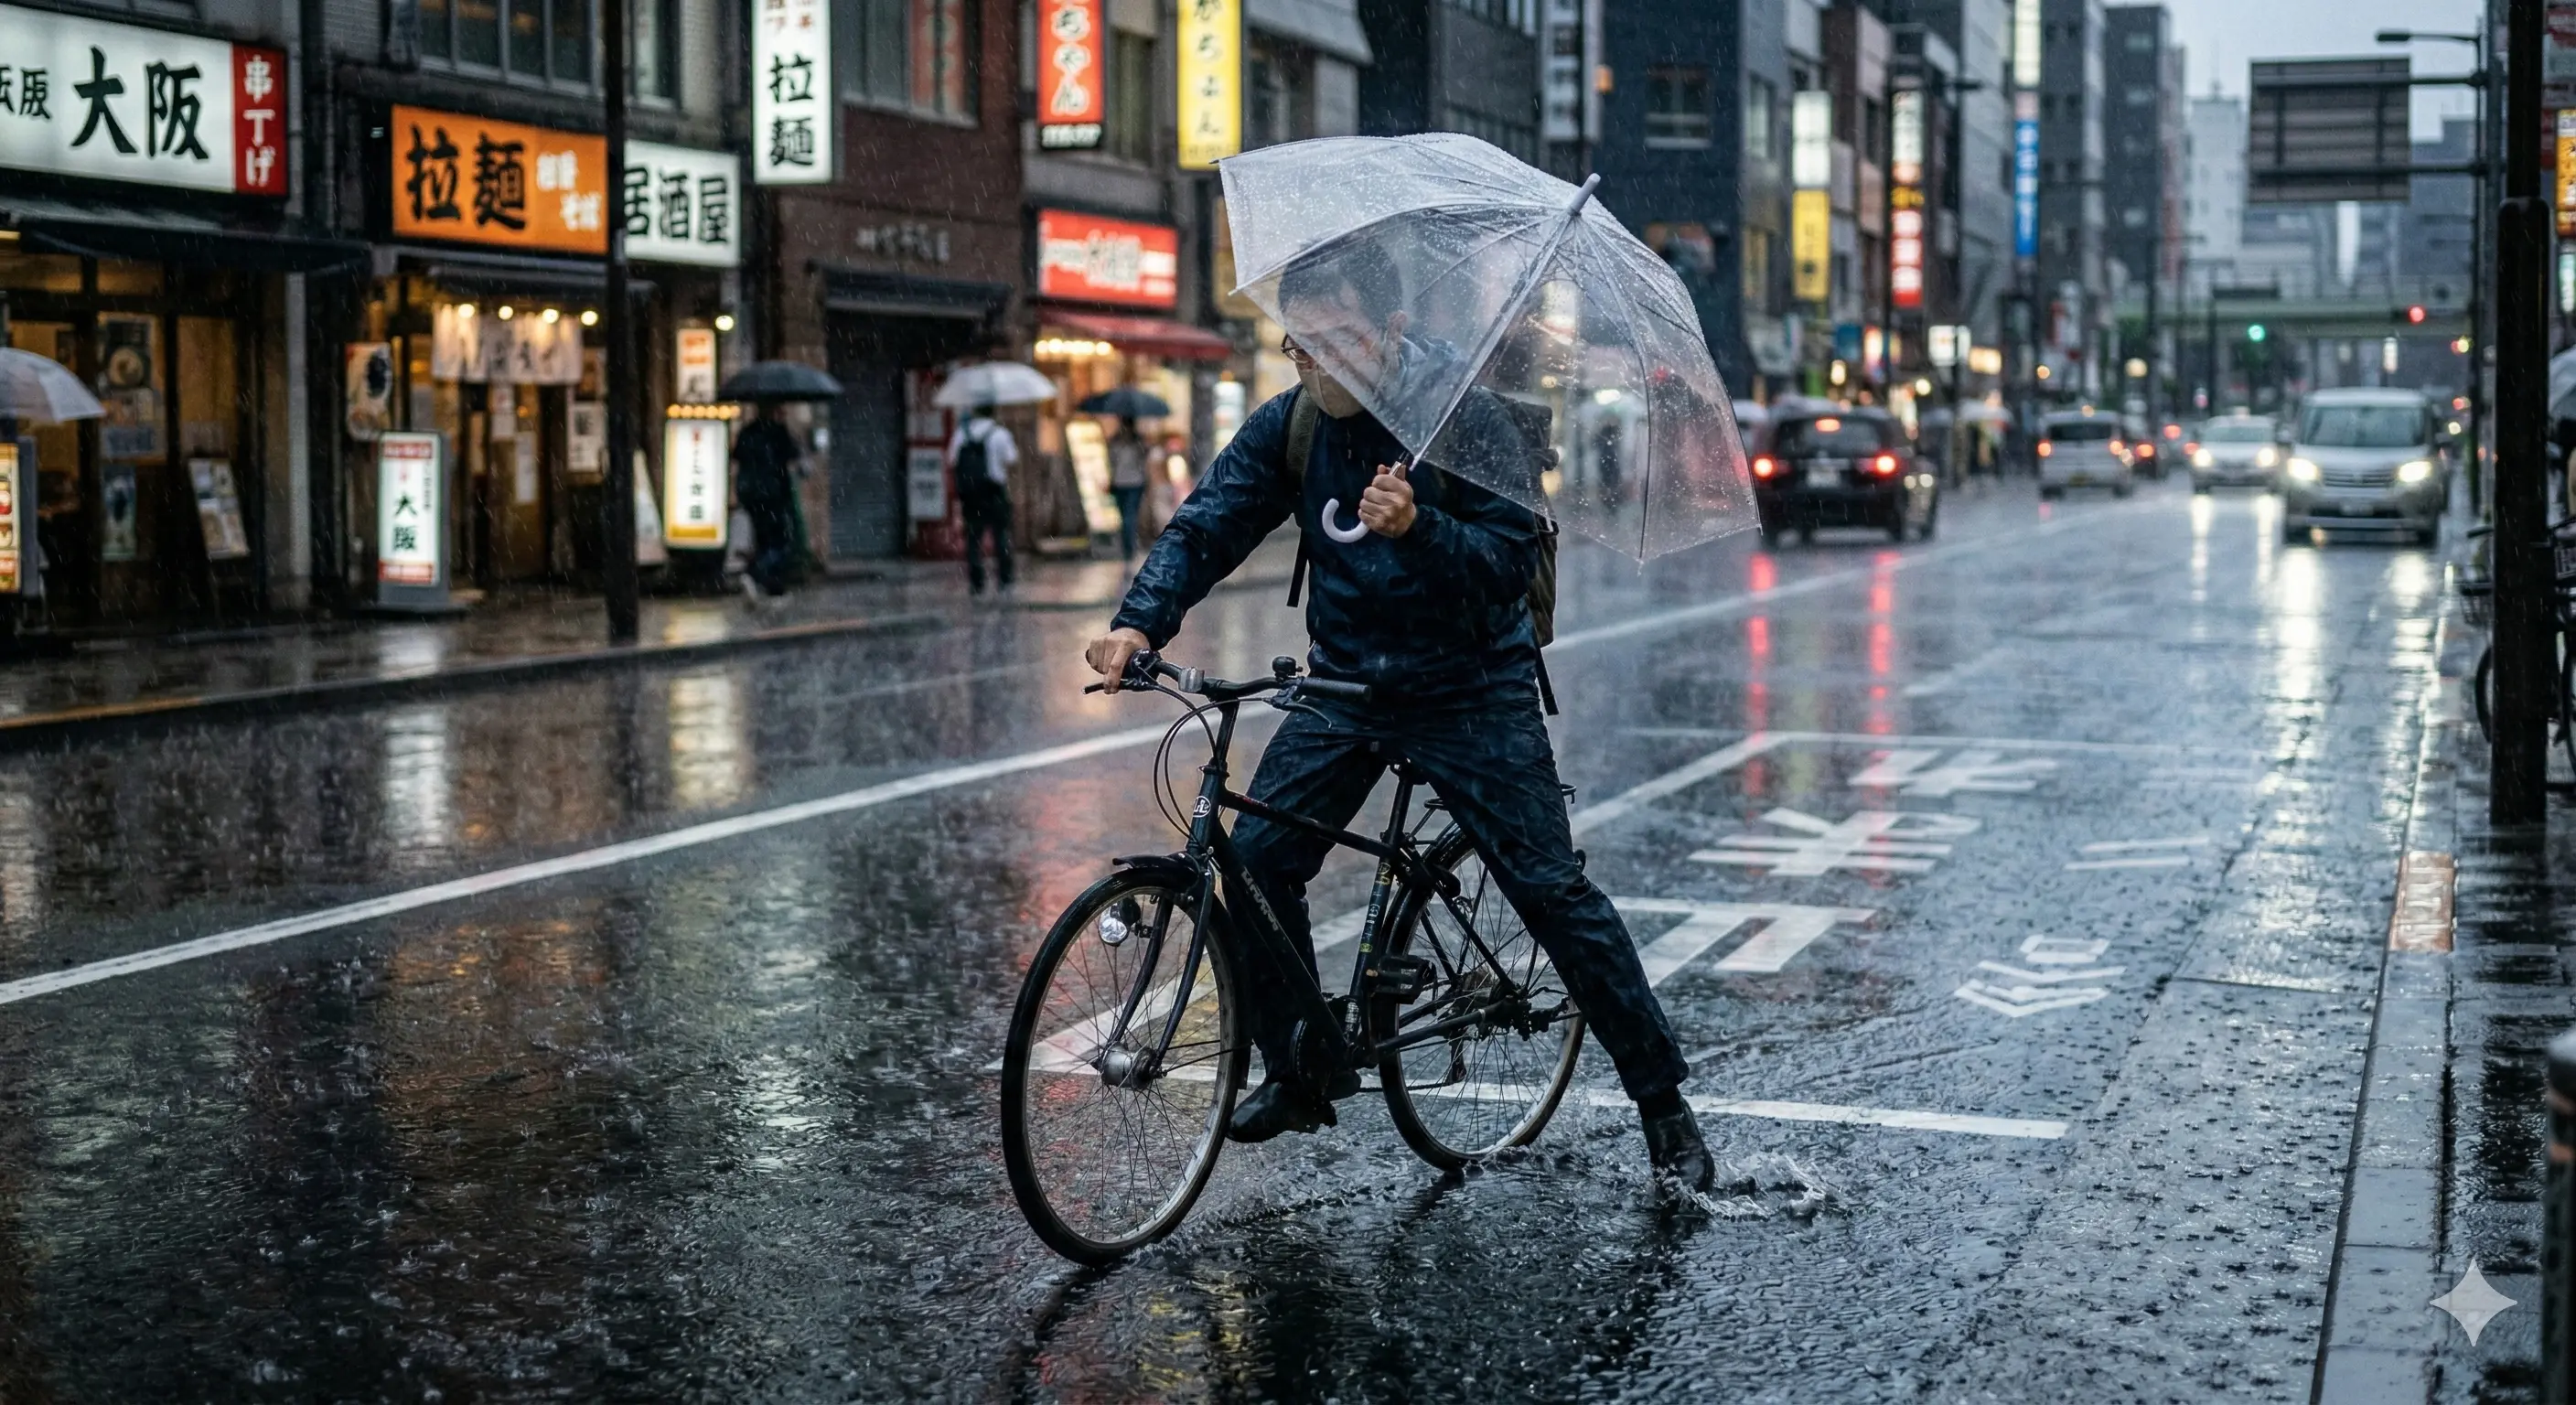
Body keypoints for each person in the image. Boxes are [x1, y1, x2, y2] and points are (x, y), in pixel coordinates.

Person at [1081, 242, 1716, 1193]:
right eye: (1299, 345)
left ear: (1390, 331)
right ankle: (1301, 1065)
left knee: (1548, 891)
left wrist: (1423, 529)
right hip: (1346, 686)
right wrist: (1139, 621)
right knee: (1258, 860)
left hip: (1472, 689)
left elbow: (1509, 564)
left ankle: (1663, 1105)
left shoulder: (1466, 419)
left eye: (1338, 340)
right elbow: (1208, 523)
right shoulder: (1293, 424)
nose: (1316, 363)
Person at [732, 402, 801, 602]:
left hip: (752, 497)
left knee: (764, 540)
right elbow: (792, 454)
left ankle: (774, 588)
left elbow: (737, 456)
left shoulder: (747, 432)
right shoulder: (777, 432)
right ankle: (754, 575)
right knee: (781, 542)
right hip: (773, 496)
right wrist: (784, 426)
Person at [950, 402, 1018, 596]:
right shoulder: (1000, 434)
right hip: (995, 491)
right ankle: (1004, 580)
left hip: (971, 495)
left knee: (973, 539)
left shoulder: (962, 434)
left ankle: (976, 582)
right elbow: (1012, 459)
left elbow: (951, 460)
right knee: (1001, 536)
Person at [1107, 416, 1151, 560]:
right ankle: (1129, 545)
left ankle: (1127, 545)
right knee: (1130, 515)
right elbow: (1143, 461)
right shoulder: (1138, 443)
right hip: (1135, 482)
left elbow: (1111, 462)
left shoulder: (1115, 442)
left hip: (1120, 482)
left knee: (1125, 515)